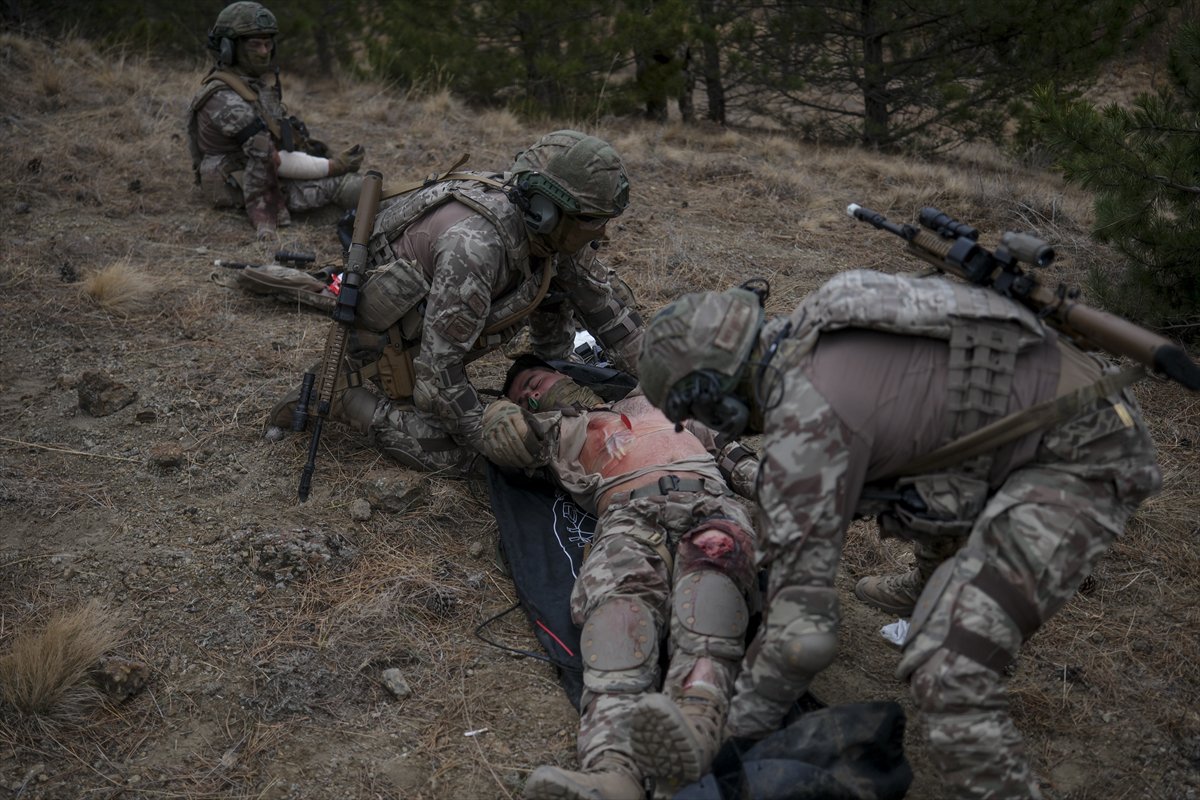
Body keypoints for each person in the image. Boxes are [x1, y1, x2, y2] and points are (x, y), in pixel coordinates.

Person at [636, 271, 1163, 799]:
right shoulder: (829, 309)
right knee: (902, 477)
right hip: (1069, 401)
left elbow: (802, 640)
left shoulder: (806, 436)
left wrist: (737, 732)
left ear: (717, 398)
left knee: (948, 670)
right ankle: (936, 579)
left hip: (1081, 460)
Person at [266, 130, 645, 477]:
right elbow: (437, 378)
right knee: (482, 461)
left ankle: (553, 362)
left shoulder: (549, 227)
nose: (604, 232)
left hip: (438, 334)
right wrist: (486, 427)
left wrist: (671, 382)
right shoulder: (476, 251)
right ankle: (346, 399)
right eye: (595, 220)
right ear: (548, 211)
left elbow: (611, 315)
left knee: (560, 278)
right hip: (391, 353)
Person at [480, 354, 761, 799]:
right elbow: (502, 441)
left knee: (709, 595)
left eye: (533, 381)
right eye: (524, 397)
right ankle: (612, 770)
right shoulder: (557, 430)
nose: (531, 394)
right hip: (629, 515)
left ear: (564, 374)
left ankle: (695, 727)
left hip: (710, 502)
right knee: (616, 618)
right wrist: (496, 416)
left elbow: (734, 454)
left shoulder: (659, 400)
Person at [186, 2, 365, 241]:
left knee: (360, 187)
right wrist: (334, 166)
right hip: (242, 184)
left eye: (268, 44)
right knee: (355, 188)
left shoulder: (251, 86)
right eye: (255, 44)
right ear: (229, 48)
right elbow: (268, 156)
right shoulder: (223, 97)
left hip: (267, 172)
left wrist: (322, 158)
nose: (264, 52)